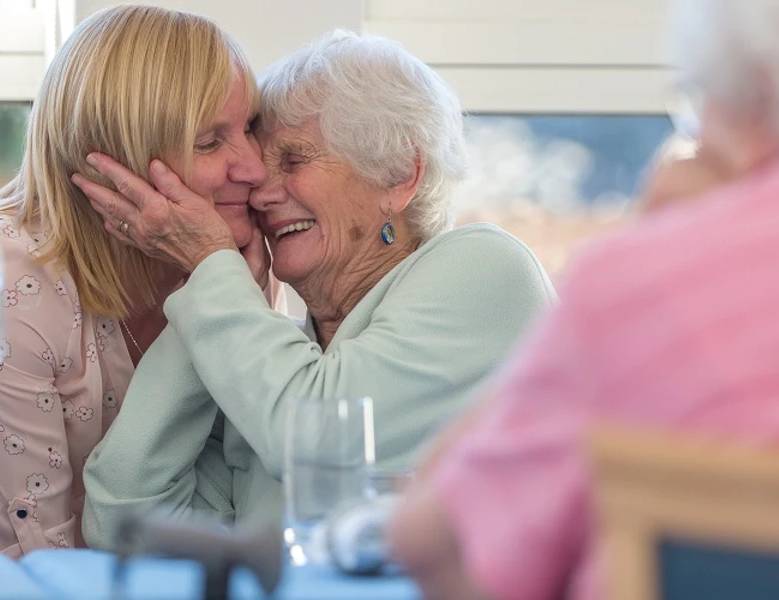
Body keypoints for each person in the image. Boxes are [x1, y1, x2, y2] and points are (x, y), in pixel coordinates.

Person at [389, 0, 779, 598]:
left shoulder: (643, 285)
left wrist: (653, 244)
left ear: (759, 96)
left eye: (698, 101)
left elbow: (434, 547)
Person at [75, 30, 556, 548]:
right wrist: (211, 285)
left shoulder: (486, 268)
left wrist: (213, 266)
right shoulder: (271, 359)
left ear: (399, 175)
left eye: (294, 160)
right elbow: (122, 517)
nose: (259, 189)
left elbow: (316, 438)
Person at [0, 5, 282, 556]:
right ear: (115, 160)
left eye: (250, 127)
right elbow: (46, 562)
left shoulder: (216, 257)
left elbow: (221, 494)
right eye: (209, 142)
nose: (253, 168)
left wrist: (218, 287)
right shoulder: (3, 284)